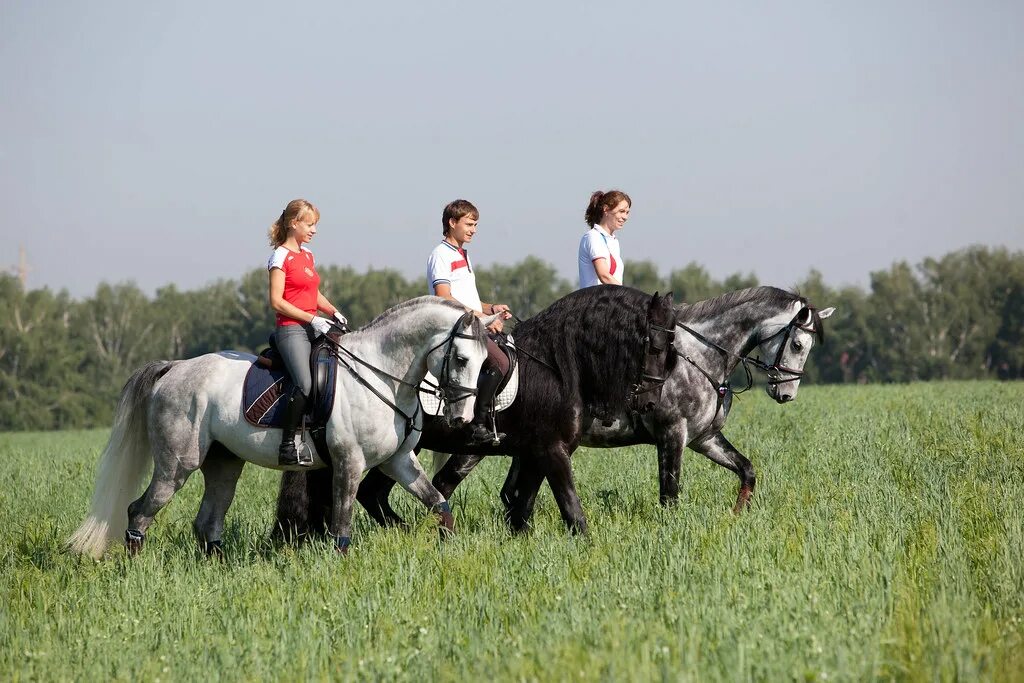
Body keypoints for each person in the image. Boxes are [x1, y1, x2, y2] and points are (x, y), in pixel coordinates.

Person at [267, 199, 348, 466]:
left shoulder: (308, 255)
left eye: (315, 225)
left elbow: (313, 293)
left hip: (313, 324)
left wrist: (333, 312)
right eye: (310, 224)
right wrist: (312, 318)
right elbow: (277, 301)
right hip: (291, 330)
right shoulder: (280, 256)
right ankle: (288, 445)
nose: (314, 230)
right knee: (304, 383)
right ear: (294, 223)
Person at [426, 199, 513, 444]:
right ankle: (475, 425)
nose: (473, 229)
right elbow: (444, 297)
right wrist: (483, 319)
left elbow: (468, 299)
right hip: (458, 328)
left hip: (471, 322)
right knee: (499, 363)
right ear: (452, 223)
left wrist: (491, 308)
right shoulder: (441, 254)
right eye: (469, 224)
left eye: (476, 225)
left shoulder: (463, 254)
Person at [578, 189, 631, 289]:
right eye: (621, 211)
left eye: (627, 212)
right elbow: (604, 276)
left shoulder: (614, 241)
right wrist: (629, 296)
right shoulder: (593, 237)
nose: (625, 217)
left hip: (610, 302)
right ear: (606, 209)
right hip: (594, 303)